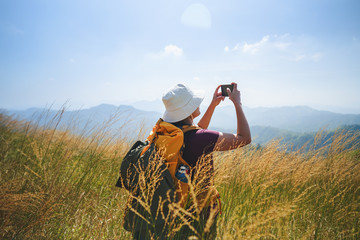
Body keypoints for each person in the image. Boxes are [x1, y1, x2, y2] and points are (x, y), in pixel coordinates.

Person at [160, 83, 251, 239]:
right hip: (201, 210)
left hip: (174, 206)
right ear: (187, 110)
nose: (198, 104)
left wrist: (213, 105)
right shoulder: (201, 139)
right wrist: (238, 103)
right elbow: (244, 138)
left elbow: (196, 131)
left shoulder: (168, 132)